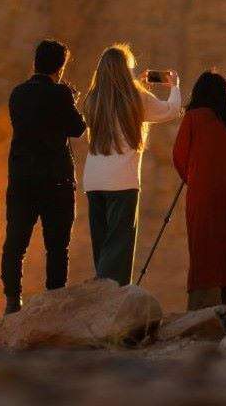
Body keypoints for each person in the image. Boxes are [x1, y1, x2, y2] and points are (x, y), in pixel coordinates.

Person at [80, 44, 181, 285]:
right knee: (120, 243)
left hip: (93, 180)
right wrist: (174, 86)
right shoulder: (136, 97)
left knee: (102, 242)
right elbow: (171, 110)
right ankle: (113, 292)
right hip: (122, 180)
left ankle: (99, 286)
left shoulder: (92, 99)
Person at [0, 38, 87, 314]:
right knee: (57, 246)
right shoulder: (60, 94)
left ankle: (13, 301)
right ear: (60, 67)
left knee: (15, 242)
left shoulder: (17, 93)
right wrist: (71, 100)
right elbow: (78, 129)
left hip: (21, 178)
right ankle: (54, 302)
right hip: (55, 180)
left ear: (35, 62)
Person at [172, 70, 226, 315]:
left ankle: (204, 305)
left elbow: (179, 155)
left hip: (202, 190)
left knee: (204, 243)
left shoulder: (193, 118)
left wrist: (194, 176)